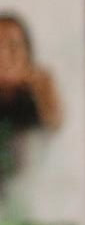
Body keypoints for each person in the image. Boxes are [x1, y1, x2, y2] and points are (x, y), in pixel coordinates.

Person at [0, 13, 62, 198]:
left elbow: (55, 123)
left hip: (28, 187)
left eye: (13, 46)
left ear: (27, 52)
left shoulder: (40, 84)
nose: (4, 56)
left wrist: (38, 85)